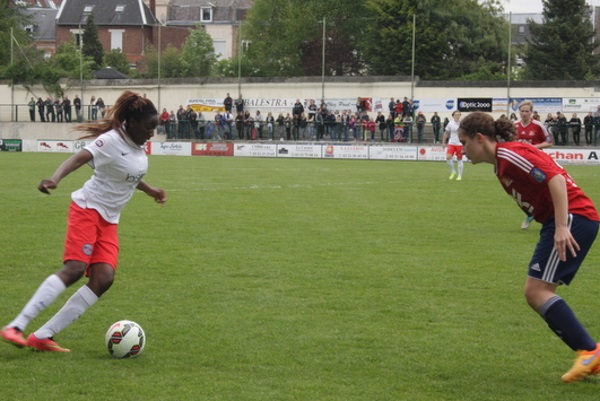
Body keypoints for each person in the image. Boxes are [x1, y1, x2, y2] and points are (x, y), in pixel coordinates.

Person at [0, 90, 166, 353]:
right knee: (76, 268)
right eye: (148, 128)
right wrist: (55, 178)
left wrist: (151, 190)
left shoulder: (136, 144)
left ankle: (42, 336)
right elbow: (79, 158)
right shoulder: (111, 141)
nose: (151, 133)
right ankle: (16, 326)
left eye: (154, 128)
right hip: (88, 209)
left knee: (104, 278)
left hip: (109, 220)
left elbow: (125, 174)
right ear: (132, 123)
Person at [458, 111, 600, 383]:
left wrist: (560, 226)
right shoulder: (501, 163)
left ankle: (590, 351)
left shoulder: (510, 155)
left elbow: (555, 179)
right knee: (537, 291)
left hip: (573, 218)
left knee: (536, 292)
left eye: (464, 142)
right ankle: (588, 353)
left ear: (479, 138)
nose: (462, 149)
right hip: (567, 219)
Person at [514, 100, 553, 229]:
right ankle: (530, 213)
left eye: (527, 111)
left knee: (542, 189)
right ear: (519, 111)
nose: (524, 113)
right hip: (519, 162)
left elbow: (549, 142)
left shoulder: (538, 126)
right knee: (516, 190)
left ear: (531, 112)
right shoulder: (514, 125)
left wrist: (533, 147)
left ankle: (550, 214)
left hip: (536, 162)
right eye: (522, 111)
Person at [441, 110, 464, 180]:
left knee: (459, 159)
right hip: (451, 143)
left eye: (458, 115)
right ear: (453, 116)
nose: (457, 116)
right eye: (456, 115)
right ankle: (453, 171)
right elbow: (446, 133)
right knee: (448, 157)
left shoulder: (462, 124)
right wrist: (443, 142)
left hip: (460, 144)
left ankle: (459, 175)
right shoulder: (450, 123)